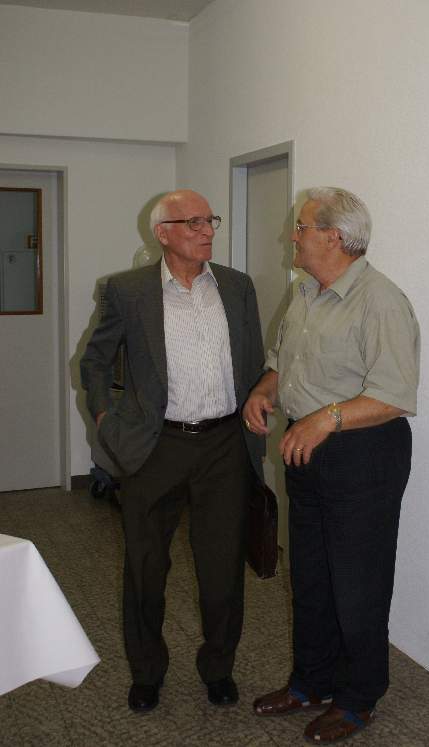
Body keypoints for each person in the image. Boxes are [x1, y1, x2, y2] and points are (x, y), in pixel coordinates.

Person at [243, 187, 420, 743]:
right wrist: (265, 390)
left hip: (362, 454)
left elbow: (393, 395)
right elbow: (283, 362)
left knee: (358, 584)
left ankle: (359, 697)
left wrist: (325, 420)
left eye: (300, 227)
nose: (291, 236)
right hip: (306, 450)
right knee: (312, 577)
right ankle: (311, 682)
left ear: (333, 238)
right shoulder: (304, 292)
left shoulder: (381, 301)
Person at [81, 189, 264, 713]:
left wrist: (259, 401)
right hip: (155, 445)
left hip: (224, 445)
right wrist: (106, 421)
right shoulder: (127, 291)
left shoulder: (237, 286)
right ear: (162, 233)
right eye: (193, 222)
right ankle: (147, 672)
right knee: (145, 566)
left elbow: (253, 360)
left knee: (222, 568)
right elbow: (94, 362)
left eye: (211, 220)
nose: (207, 231)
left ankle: (218, 668)